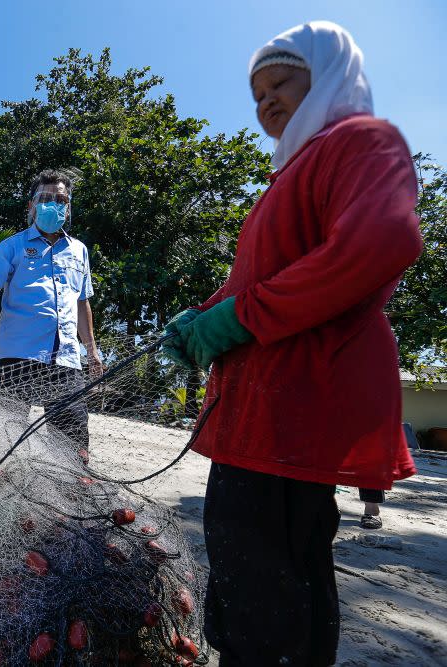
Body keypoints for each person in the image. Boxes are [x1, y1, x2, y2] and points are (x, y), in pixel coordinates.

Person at [162, 22, 423, 666]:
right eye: (257, 94)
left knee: (268, 597)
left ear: (328, 74)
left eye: (281, 82)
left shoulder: (364, 141)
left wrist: (237, 320)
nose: (267, 102)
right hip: (255, 411)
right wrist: (201, 319)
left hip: (295, 411)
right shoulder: (286, 176)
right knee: (254, 581)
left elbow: (376, 246)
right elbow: (252, 285)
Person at [0, 170, 103, 452]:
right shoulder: (12, 246)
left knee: (73, 435)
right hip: (20, 354)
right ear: (31, 206)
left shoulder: (79, 251)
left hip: (66, 358)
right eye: (45, 198)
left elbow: (81, 302)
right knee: (10, 433)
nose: (53, 204)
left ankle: (73, 488)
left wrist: (92, 349)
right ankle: (3, 484)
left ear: (69, 206)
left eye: (60, 199)